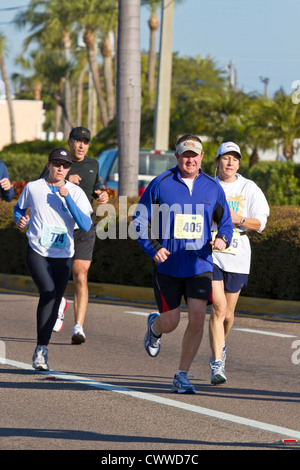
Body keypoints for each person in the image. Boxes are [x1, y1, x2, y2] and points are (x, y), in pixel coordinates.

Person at [133, 134, 234, 394]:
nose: (190, 159)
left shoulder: (212, 187)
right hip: (168, 266)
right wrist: (153, 248)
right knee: (172, 322)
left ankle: (182, 375)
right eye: (185, 154)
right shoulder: (161, 184)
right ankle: (155, 326)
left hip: (200, 264)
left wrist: (223, 239)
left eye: (195, 154)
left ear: (202, 157)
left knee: (198, 317)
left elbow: (226, 223)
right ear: (177, 156)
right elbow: (139, 221)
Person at [14, 148, 93, 370]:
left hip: (63, 255)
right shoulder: (33, 187)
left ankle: (42, 349)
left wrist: (68, 200)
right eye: (56, 164)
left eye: (65, 165)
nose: (60, 168)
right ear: (49, 165)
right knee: (48, 293)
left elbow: (85, 225)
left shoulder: (75, 192)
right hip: (38, 251)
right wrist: (21, 220)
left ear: (69, 169)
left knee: (53, 299)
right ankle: (40, 349)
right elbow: (18, 209)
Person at [40, 127, 109, 343]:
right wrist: (67, 177)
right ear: (69, 142)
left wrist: (102, 194)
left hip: (84, 228)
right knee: (56, 273)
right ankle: (60, 301)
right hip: (60, 227)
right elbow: (41, 186)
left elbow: (96, 187)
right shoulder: (58, 162)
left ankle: (78, 327)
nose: (81, 146)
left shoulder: (93, 164)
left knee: (80, 273)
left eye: (85, 142)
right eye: (78, 141)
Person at [209, 141, 270, 385]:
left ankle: (219, 347)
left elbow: (261, 223)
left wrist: (240, 219)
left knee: (229, 314)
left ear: (239, 163)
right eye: (225, 158)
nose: (230, 162)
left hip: (239, 252)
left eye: (235, 158)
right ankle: (216, 363)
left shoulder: (249, 187)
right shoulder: (208, 184)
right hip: (211, 250)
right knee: (218, 308)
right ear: (217, 161)